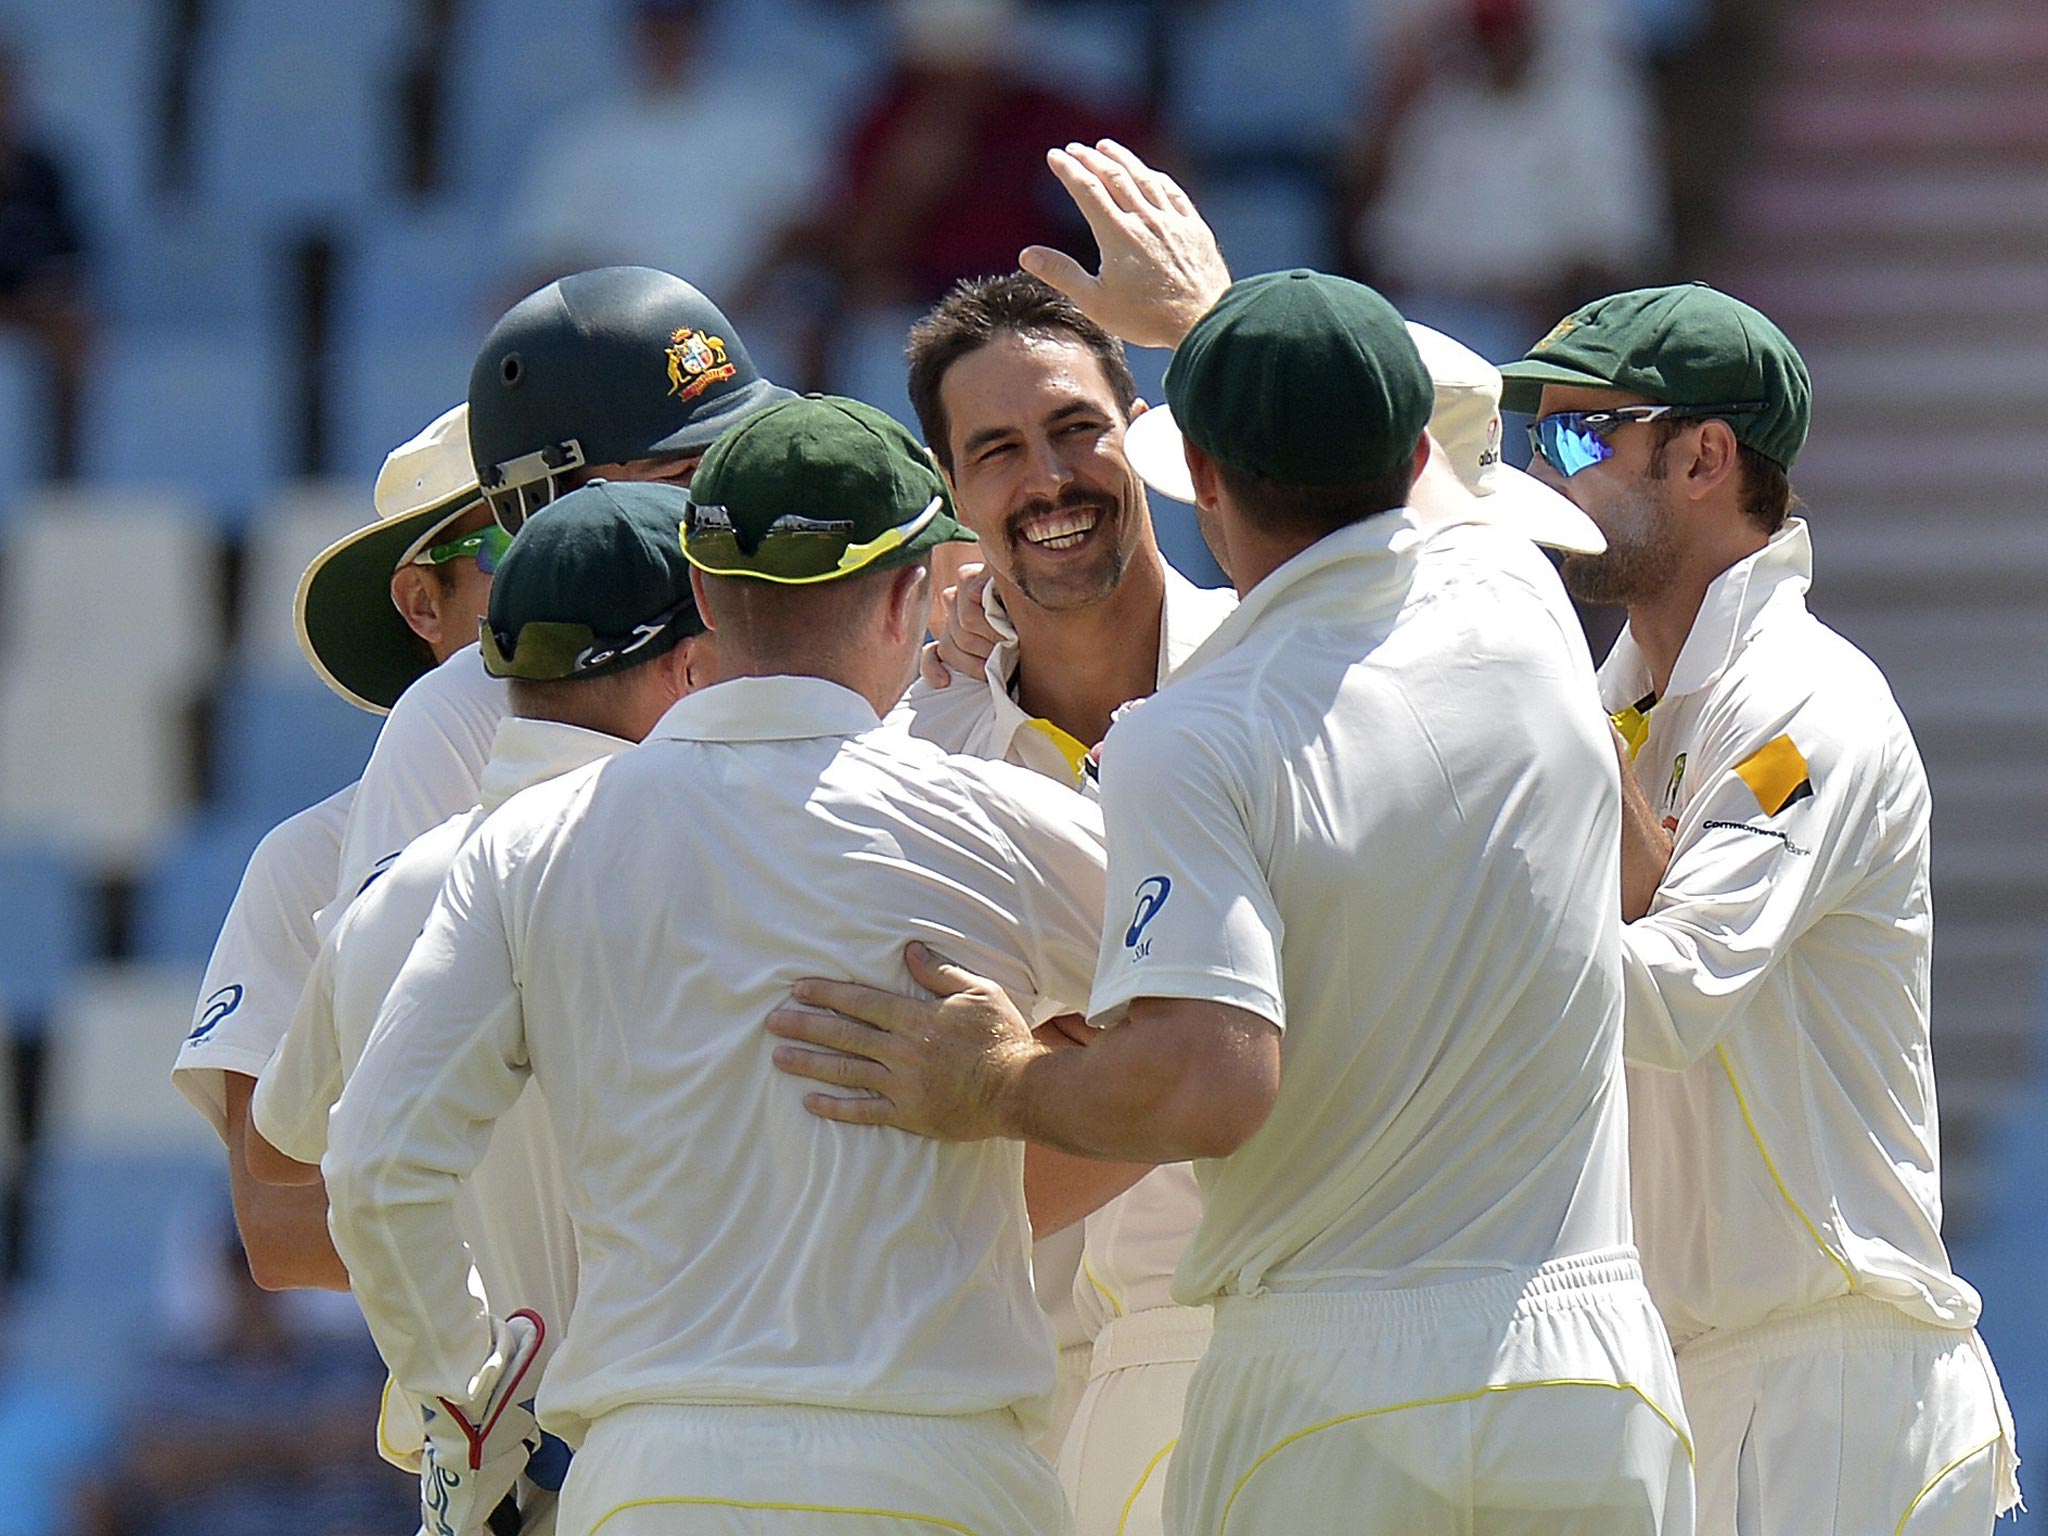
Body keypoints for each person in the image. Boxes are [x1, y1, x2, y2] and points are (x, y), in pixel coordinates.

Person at [769, 272, 1691, 1533]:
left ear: (1177, 464)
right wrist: (1220, 316)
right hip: (1557, 1366)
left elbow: (1206, 1076)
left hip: (1293, 1356)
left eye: (1077, 430)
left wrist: (994, 1086)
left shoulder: (1205, 722)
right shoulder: (1514, 600)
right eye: (996, 450)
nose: (1047, 477)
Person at [323, 395, 1110, 1536]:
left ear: (696, 593)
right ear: (905, 596)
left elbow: (375, 1167)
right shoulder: (999, 823)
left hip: (650, 1478)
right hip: (935, 1478)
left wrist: (465, 1393)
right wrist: (1019, 1084)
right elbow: (1221, 1024)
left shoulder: (528, 846)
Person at [1501, 283, 2023, 1530]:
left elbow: (1666, 999)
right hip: (1682, 1375)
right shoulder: (1623, 696)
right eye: (1535, 440)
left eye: (1579, 437)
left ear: (1702, 456)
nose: (1541, 475)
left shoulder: (1801, 700)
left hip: (1832, 1383)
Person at [251, 480, 717, 1534]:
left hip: (492, 1483)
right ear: (691, 663)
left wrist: (464, 1394)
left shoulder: (386, 899)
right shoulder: (726, 870)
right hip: (700, 1458)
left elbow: (292, 1157)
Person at [169, 403, 500, 1291]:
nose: (572, 582)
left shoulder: (673, 790)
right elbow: (277, 1230)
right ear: (423, 602)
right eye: (516, 551)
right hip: (496, 1404)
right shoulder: (306, 863)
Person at [332, 265, 791, 900]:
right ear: (542, 507)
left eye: (734, 464)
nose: (721, 504)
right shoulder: (457, 712)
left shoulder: (813, 627)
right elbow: (393, 982)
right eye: (681, 476)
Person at [497, 0, 830, 306]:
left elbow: (801, 228)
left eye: (681, 21)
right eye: (657, 22)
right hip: (623, 332)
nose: (669, 38)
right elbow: (547, 256)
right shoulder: (580, 139)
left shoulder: (769, 119)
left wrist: (734, 302)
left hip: (754, 325)